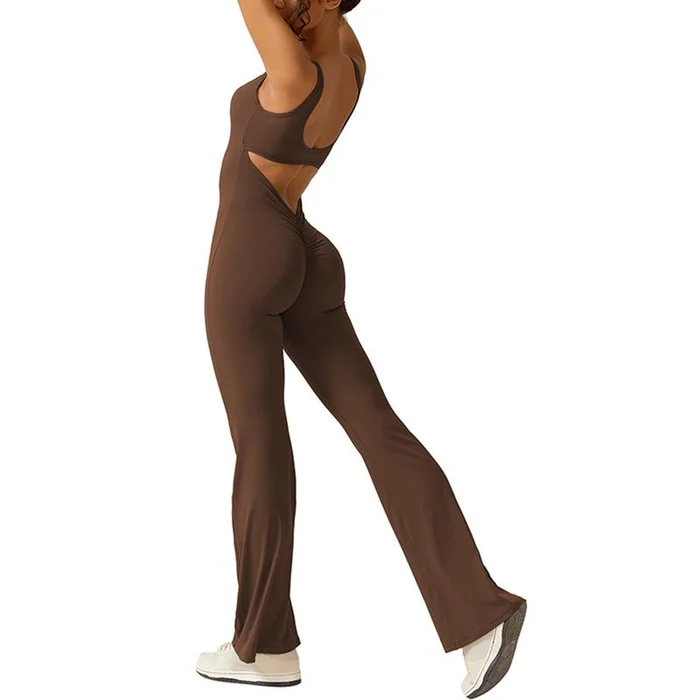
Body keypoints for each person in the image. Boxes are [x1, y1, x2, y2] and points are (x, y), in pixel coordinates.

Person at [196, 1, 527, 696]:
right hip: (306, 254)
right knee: (380, 430)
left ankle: (264, 648)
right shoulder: (349, 62)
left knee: (260, 447)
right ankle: (481, 617)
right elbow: (316, 19)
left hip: (250, 257)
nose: (280, 6)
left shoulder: (292, 75)